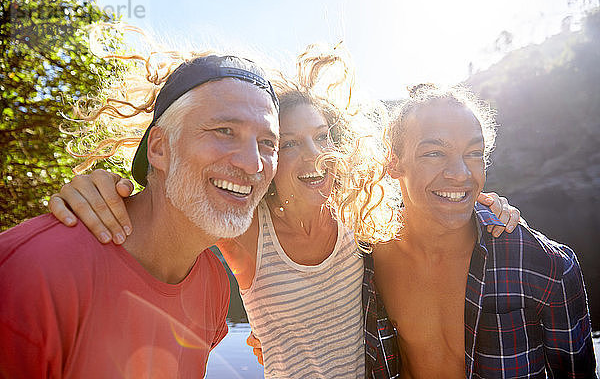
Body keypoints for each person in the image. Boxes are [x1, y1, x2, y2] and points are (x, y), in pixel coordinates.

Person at [48, 50, 523, 377]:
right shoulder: (247, 230)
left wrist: (489, 211)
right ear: (270, 161)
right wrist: (101, 189)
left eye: (321, 137)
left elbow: (436, 205)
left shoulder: (360, 215)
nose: (313, 155)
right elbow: (170, 210)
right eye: (290, 144)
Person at [0, 52, 281, 377]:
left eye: (267, 143)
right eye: (224, 131)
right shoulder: (34, 273)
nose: (253, 163)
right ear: (159, 148)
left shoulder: (213, 284)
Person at [333, 84, 597, 378]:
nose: (460, 174)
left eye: (473, 153)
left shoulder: (544, 266)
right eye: (434, 153)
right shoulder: (364, 259)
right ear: (393, 162)